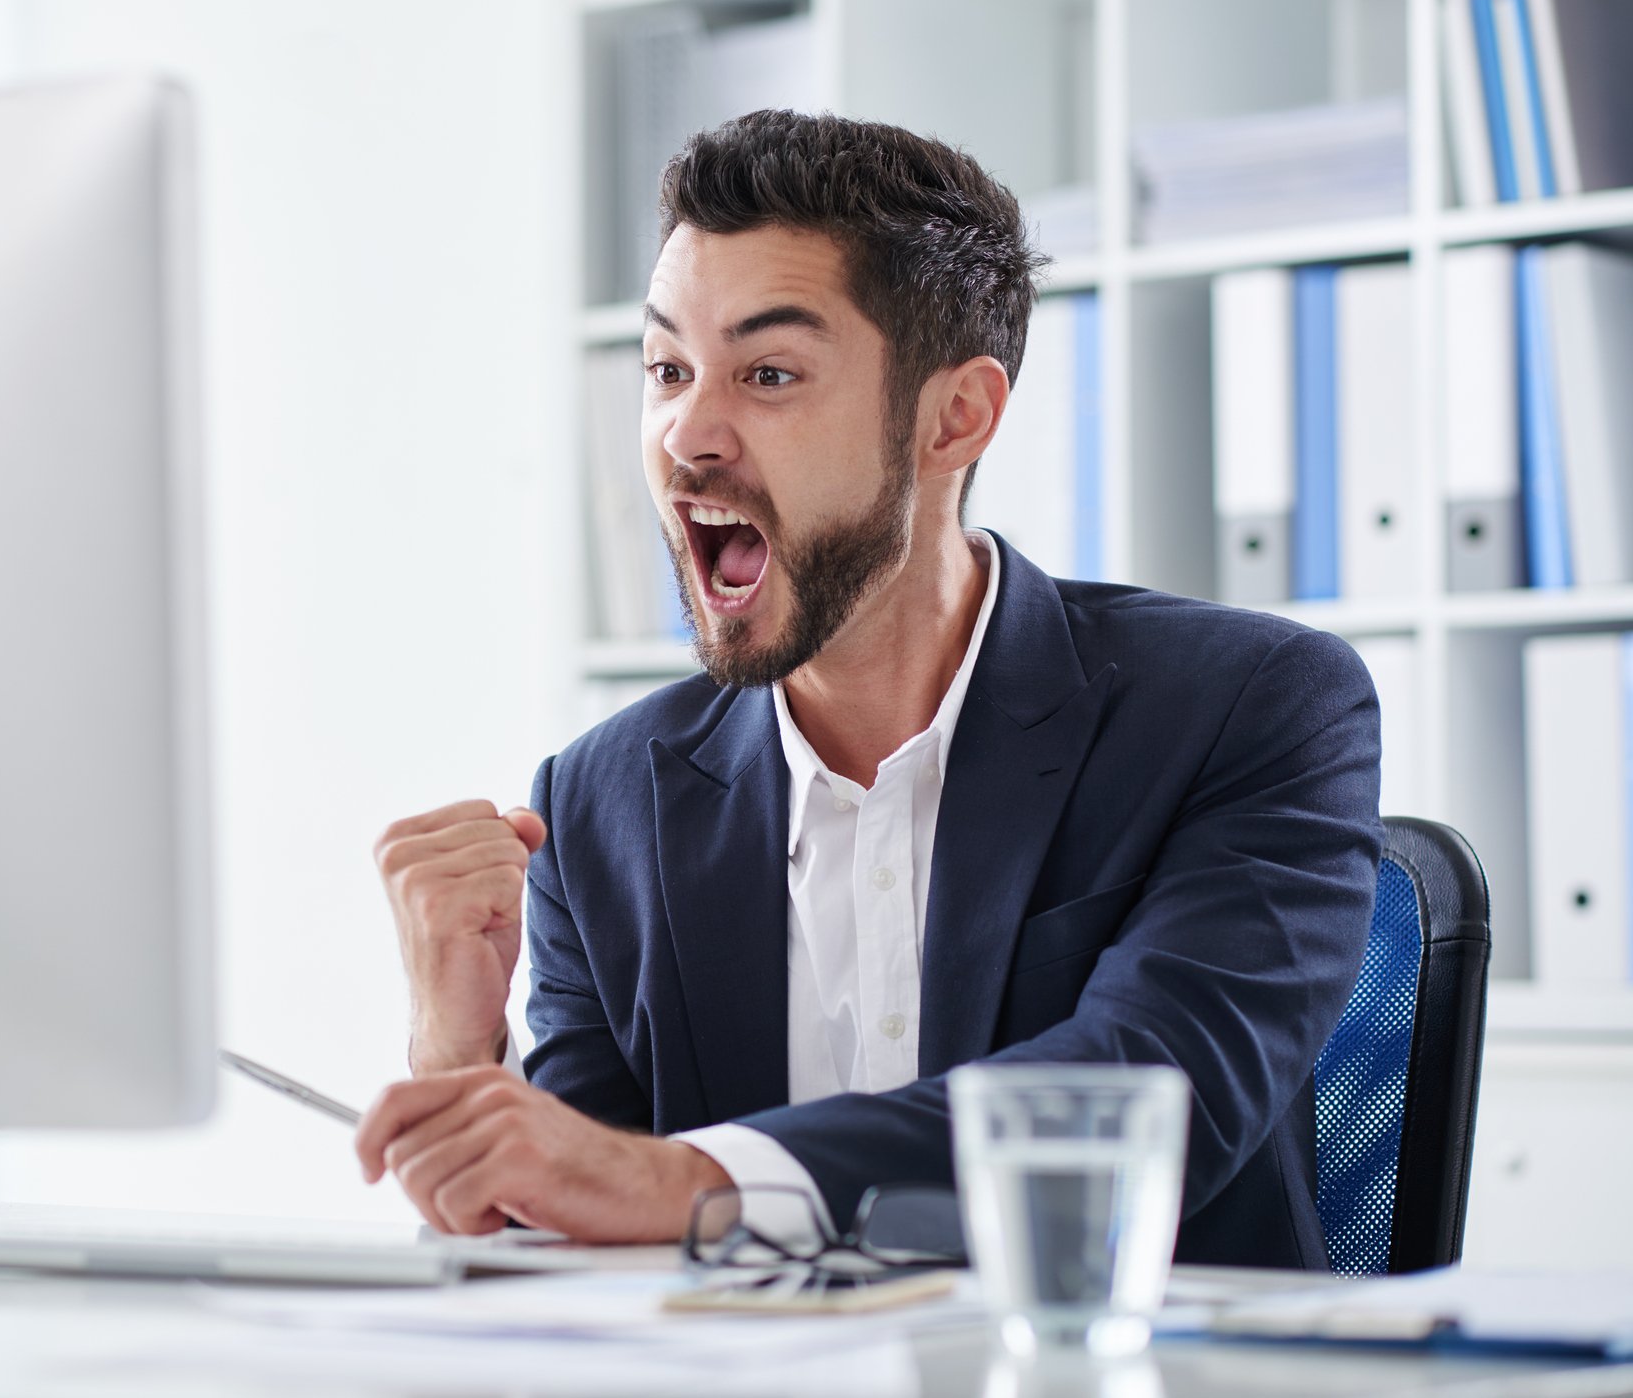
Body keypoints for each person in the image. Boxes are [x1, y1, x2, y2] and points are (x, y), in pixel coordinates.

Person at [356, 111, 1381, 1269]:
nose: (687, 433)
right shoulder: (598, 805)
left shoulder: (1247, 707)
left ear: (954, 417)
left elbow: (1140, 1105)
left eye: (769, 372)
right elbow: (587, 1219)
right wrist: (456, 1049)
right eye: (666, 369)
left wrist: (690, 1178)